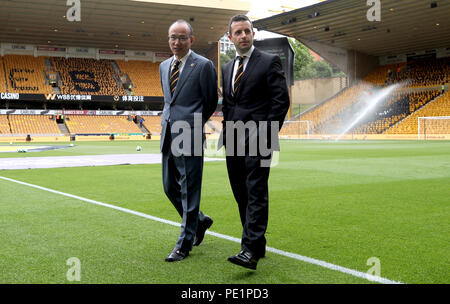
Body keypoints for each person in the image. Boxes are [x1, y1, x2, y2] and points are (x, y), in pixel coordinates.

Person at [219, 15, 290, 270]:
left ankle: (249, 249)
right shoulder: (227, 68)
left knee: (256, 192)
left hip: (260, 137)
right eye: (237, 32)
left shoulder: (270, 62)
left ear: (253, 33)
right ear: (230, 37)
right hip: (234, 138)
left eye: (247, 31)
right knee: (241, 193)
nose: (243, 36)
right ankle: (256, 244)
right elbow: (229, 104)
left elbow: (281, 101)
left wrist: (267, 133)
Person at [159, 20, 218, 262]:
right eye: (173, 37)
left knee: (190, 190)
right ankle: (200, 221)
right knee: (169, 186)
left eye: (182, 37)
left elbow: (211, 101)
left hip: (190, 132)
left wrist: (193, 124)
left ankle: (184, 244)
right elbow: (169, 101)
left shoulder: (203, 65)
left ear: (191, 39)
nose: (177, 42)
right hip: (167, 132)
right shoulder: (163, 66)